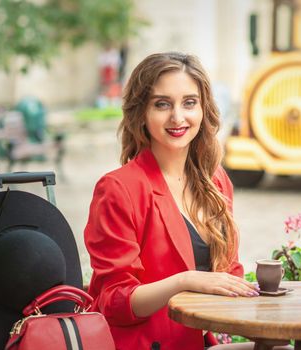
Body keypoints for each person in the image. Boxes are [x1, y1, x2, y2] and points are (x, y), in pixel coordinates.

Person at [84, 52, 259, 350]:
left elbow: (229, 272)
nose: (177, 117)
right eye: (162, 104)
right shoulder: (118, 188)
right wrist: (184, 281)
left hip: (200, 340)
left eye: (189, 102)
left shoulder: (215, 181)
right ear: (141, 113)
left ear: (204, 109)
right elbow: (114, 301)